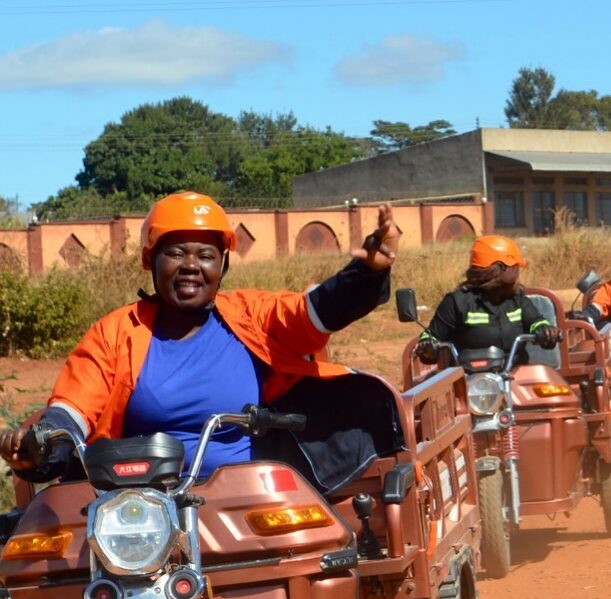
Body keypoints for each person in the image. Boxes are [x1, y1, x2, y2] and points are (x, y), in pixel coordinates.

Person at [0, 191, 401, 493]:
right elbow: (73, 407)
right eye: (175, 252)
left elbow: (311, 314)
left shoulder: (251, 316)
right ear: (150, 260)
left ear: (222, 265)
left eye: (206, 255)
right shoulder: (115, 333)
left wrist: (363, 275)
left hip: (252, 498)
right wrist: (46, 439)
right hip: (142, 509)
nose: (191, 265)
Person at [416, 235, 560, 361]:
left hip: (515, 376)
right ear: (501, 267)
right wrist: (428, 348)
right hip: (472, 382)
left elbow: (536, 322)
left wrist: (546, 331)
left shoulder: (517, 299)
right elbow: (431, 336)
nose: (518, 270)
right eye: (515, 265)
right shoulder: (457, 302)